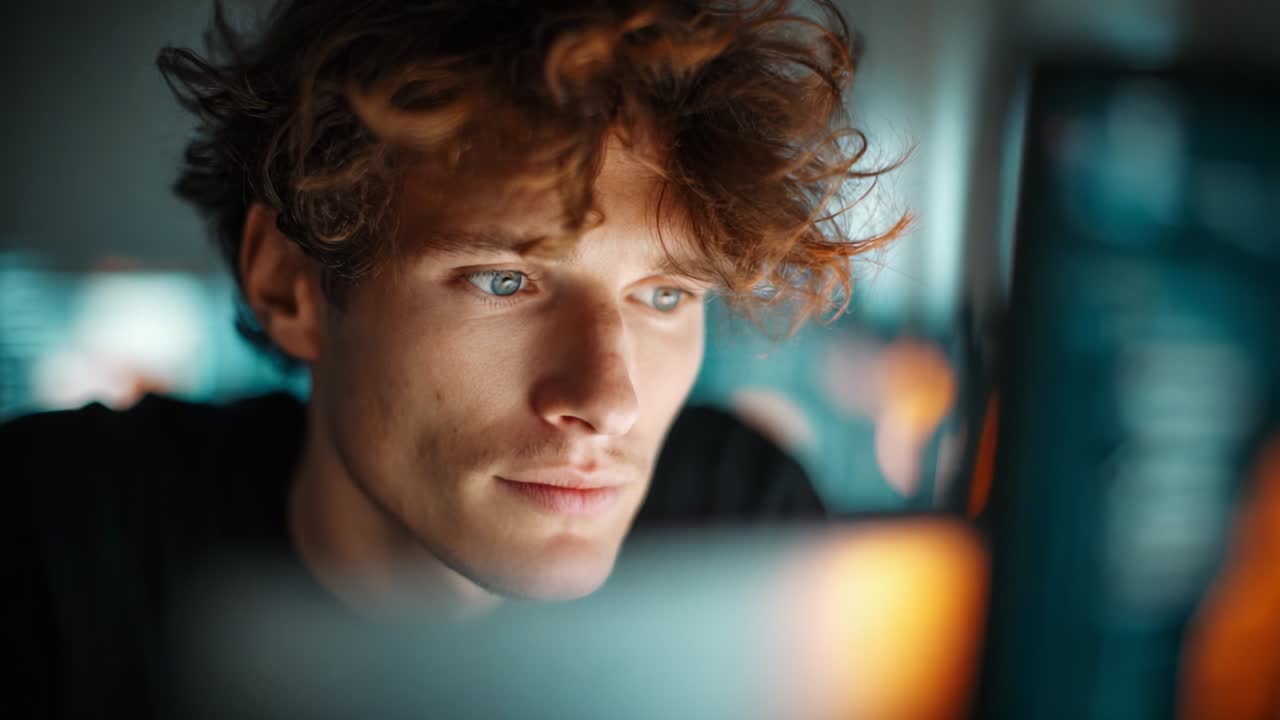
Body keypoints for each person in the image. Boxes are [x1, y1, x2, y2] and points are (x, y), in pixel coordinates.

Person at [9, 0, 906, 716]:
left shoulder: (746, 526)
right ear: (290, 284)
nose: (609, 399)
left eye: (665, 296)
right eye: (505, 282)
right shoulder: (55, 544)